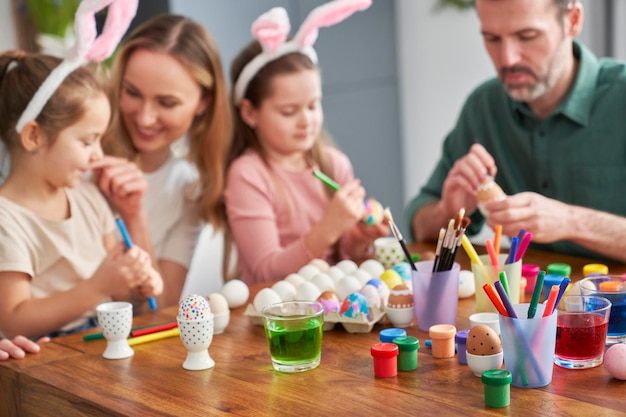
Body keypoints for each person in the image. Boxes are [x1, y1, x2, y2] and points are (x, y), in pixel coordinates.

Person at [405, 0, 626, 262]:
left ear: (573, 20)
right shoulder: (484, 106)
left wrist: (571, 221)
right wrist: (448, 211)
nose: (508, 58)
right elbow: (418, 222)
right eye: (492, 38)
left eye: (527, 36)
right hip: (521, 301)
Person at [0, 51, 162, 339]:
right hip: (47, 357)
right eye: (87, 141)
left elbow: (114, 292)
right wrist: (99, 287)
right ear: (33, 137)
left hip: (102, 339)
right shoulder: (6, 219)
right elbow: (14, 321)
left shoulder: (89, 198)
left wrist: (135, 284)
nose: (98, 155)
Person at [224, 1, 387, 284]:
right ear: (250, 112)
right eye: (289, 111)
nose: (306, 120)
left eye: (313, 106)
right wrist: (328, 229)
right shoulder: (248, 175)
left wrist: (358, 240)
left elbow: (342, 260)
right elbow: (266, 272)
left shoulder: (334, 164)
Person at [93, 14, 233, 307]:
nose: (144, 117)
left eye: (167, 103)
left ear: (204, 101)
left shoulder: (189, 188)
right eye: (132, 92)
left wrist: (134, 216)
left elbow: (160, 306)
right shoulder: (81, 153)